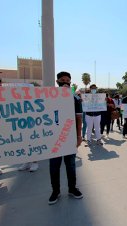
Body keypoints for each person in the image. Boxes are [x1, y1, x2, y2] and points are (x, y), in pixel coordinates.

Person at [48, 71, 83, 205]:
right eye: (62, 80)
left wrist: (79, 136)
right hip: (54, 138)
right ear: (57, 82)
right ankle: (55, 191)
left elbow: (79, 118)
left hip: (70, 137)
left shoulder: (75, 98)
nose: (65, 82)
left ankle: (72, 188)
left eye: (68, 80)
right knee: (54, 166)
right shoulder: (50, 97)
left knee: (71, 165)